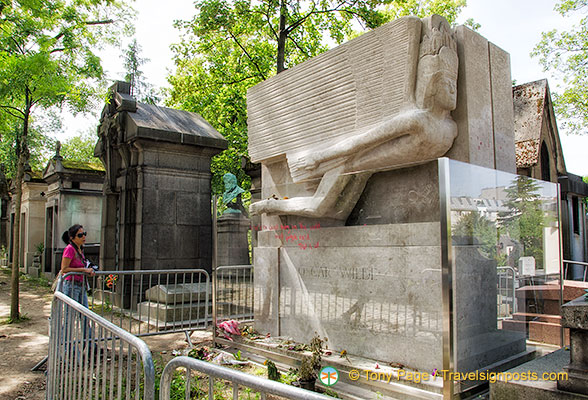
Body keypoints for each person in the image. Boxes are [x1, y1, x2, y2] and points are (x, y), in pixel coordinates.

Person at [60, 224, 95, 306]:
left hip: (81, 284)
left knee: (85, 314)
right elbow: (64, 269)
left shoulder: (80, 249)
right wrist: (83, 270)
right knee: (70, 314)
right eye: (80, 235)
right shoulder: (70, 249)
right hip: (71, 285)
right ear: (72, 238)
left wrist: (88, 270)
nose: (83, 237)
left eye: (84, 234)